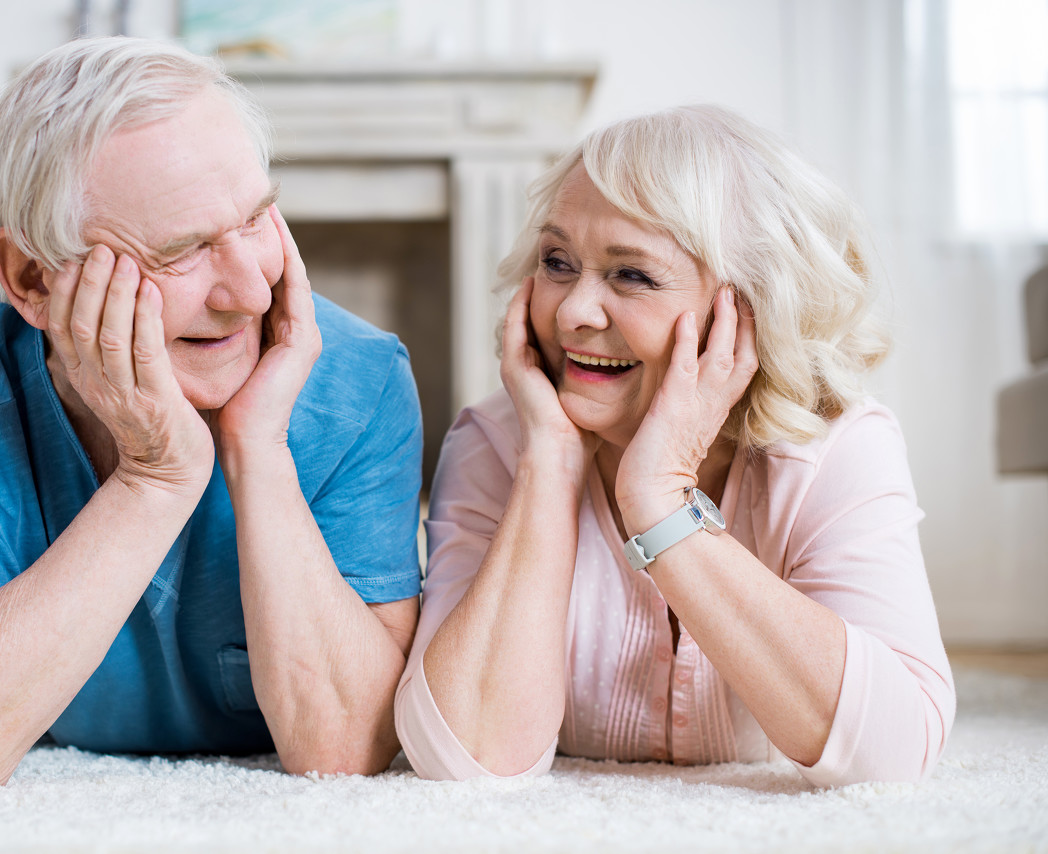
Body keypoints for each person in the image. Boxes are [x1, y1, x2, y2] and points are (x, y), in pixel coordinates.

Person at [0, 37, 423, 788]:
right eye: (182, 250)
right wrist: (155, 478)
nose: (251, 294)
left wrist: (259, 450)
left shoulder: (358, 377)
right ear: (30, 277)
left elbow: (346, 750)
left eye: (256, 219)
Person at [395, 105, 954, 787]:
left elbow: (894, 755)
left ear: (744, 310)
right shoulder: (497, 443)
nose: (573, 311)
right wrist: (548, 463)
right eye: (558, 262)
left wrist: (660, 503)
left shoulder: (838, 447)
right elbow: (465, 756)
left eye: (631, 275)